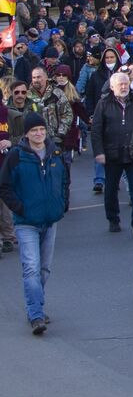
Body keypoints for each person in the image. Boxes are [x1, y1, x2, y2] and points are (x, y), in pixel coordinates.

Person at [0, 112, 67, 334]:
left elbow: (64, 179)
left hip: (50, 219)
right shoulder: (17, 156)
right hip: (26, 222)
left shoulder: (55, 152)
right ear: (26, 134)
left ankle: (38, 305)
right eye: (33, 131)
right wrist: (19, 208)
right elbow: (5, 186)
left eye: (41, 130)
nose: (38, 134)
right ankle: (35, 314)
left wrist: (62, 204)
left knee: (44, 269)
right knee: (31, 268)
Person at [92, 72, 133, 234]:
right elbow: (96, 129)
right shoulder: (104, 103)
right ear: (112, 87)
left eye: (126, 83)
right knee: (111, 189)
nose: (123, 87)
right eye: (120, 84)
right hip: (112, 153)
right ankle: (113, 219)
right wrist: (99, 152)